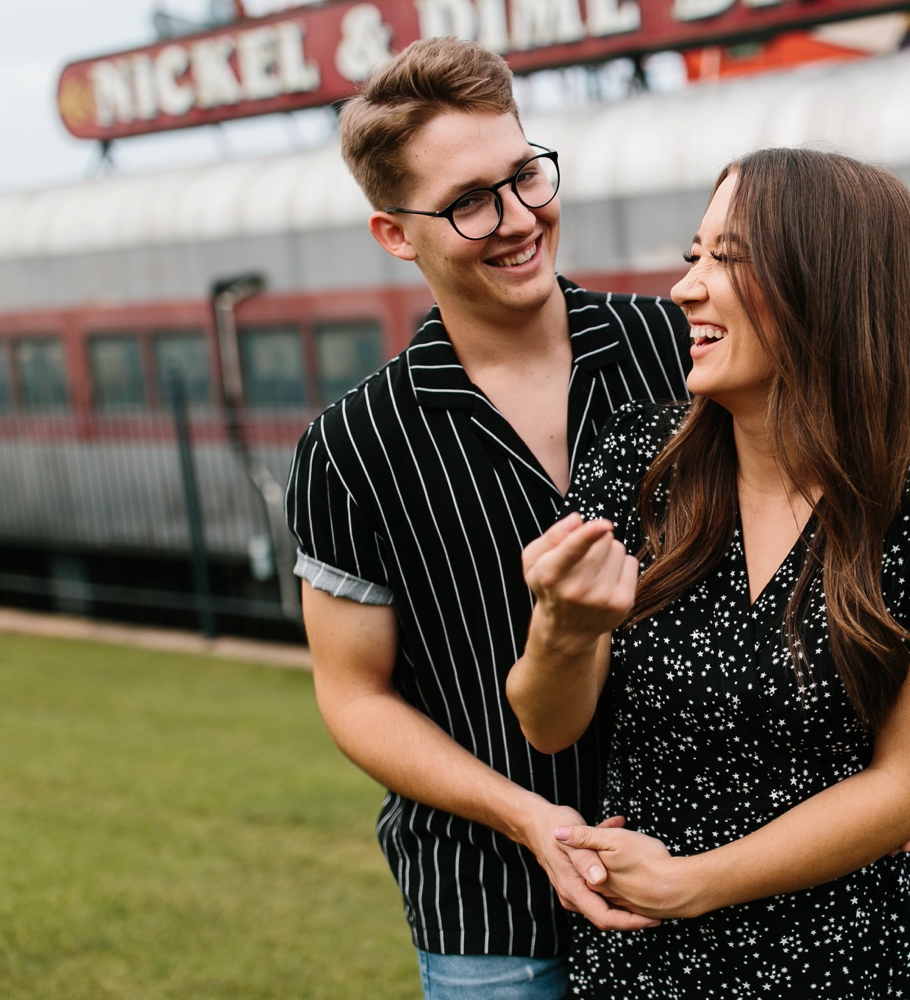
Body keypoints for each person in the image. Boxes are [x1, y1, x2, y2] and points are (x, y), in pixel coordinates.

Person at [506, 147, 910, 998]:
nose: (686, 287)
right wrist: (561, 632)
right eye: (695, 254)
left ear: (828, 287)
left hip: (838, 962)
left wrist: (693, 882)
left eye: (729, 260)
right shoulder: (637, 462)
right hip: (643, 965)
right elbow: (550, 724)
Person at [282, 38, 694, 999]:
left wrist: (877, 747)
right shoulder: (351, 446)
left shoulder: (679, 351)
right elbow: (354, 698)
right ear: (395, 233)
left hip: (708, 865)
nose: (519, 219)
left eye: (525, 176)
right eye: (472, 200)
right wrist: (525, 816)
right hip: (493, 918)